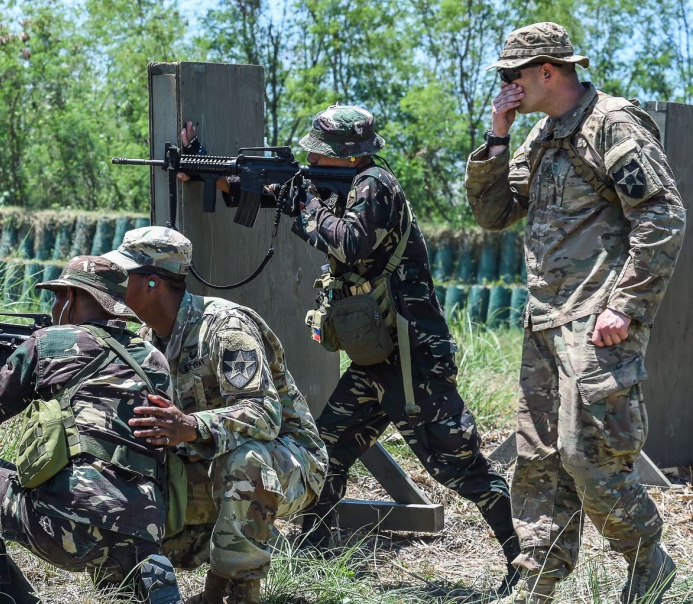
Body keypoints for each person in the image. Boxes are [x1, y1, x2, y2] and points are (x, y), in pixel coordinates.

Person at [464, 22, 685, 604]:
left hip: (597, 321)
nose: (508, 85)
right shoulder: (540, 134)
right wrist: (496, 137)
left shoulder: (613, 122)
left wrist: (626, 306)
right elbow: (494, 214)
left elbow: (663, 218)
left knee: (589, 459)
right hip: (545, 321)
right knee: (538, 464)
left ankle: (649, 563)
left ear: (547, 71)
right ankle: (538, 582)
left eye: (514, 75)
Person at [276, 104, 520, 593]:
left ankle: (527, 560)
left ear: (344, 156)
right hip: (376, 357)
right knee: (329, 450)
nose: (310, 156)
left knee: (459, 463)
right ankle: (311, 552)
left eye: (319, 151)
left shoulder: (374, 186)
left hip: (412, 358)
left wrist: (301, 202)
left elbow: (349, 243)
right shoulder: (348, 186)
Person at [0, 256, 184, 604]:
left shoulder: (49, 343)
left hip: (68, 524)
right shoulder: (154, 360)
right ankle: (141, 581)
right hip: (144, 529)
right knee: (115, 581)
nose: (54, 305)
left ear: (73, 296)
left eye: (57, 296)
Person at [100, 226, 328, 604]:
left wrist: (190, 426)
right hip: (208, 462)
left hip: (289, 461)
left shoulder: (226, 328)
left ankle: (232, 592)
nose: (114, 283)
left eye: (124, 275)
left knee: (244, 461)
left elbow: (264, 415)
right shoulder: (144, 340)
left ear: (153, 283)